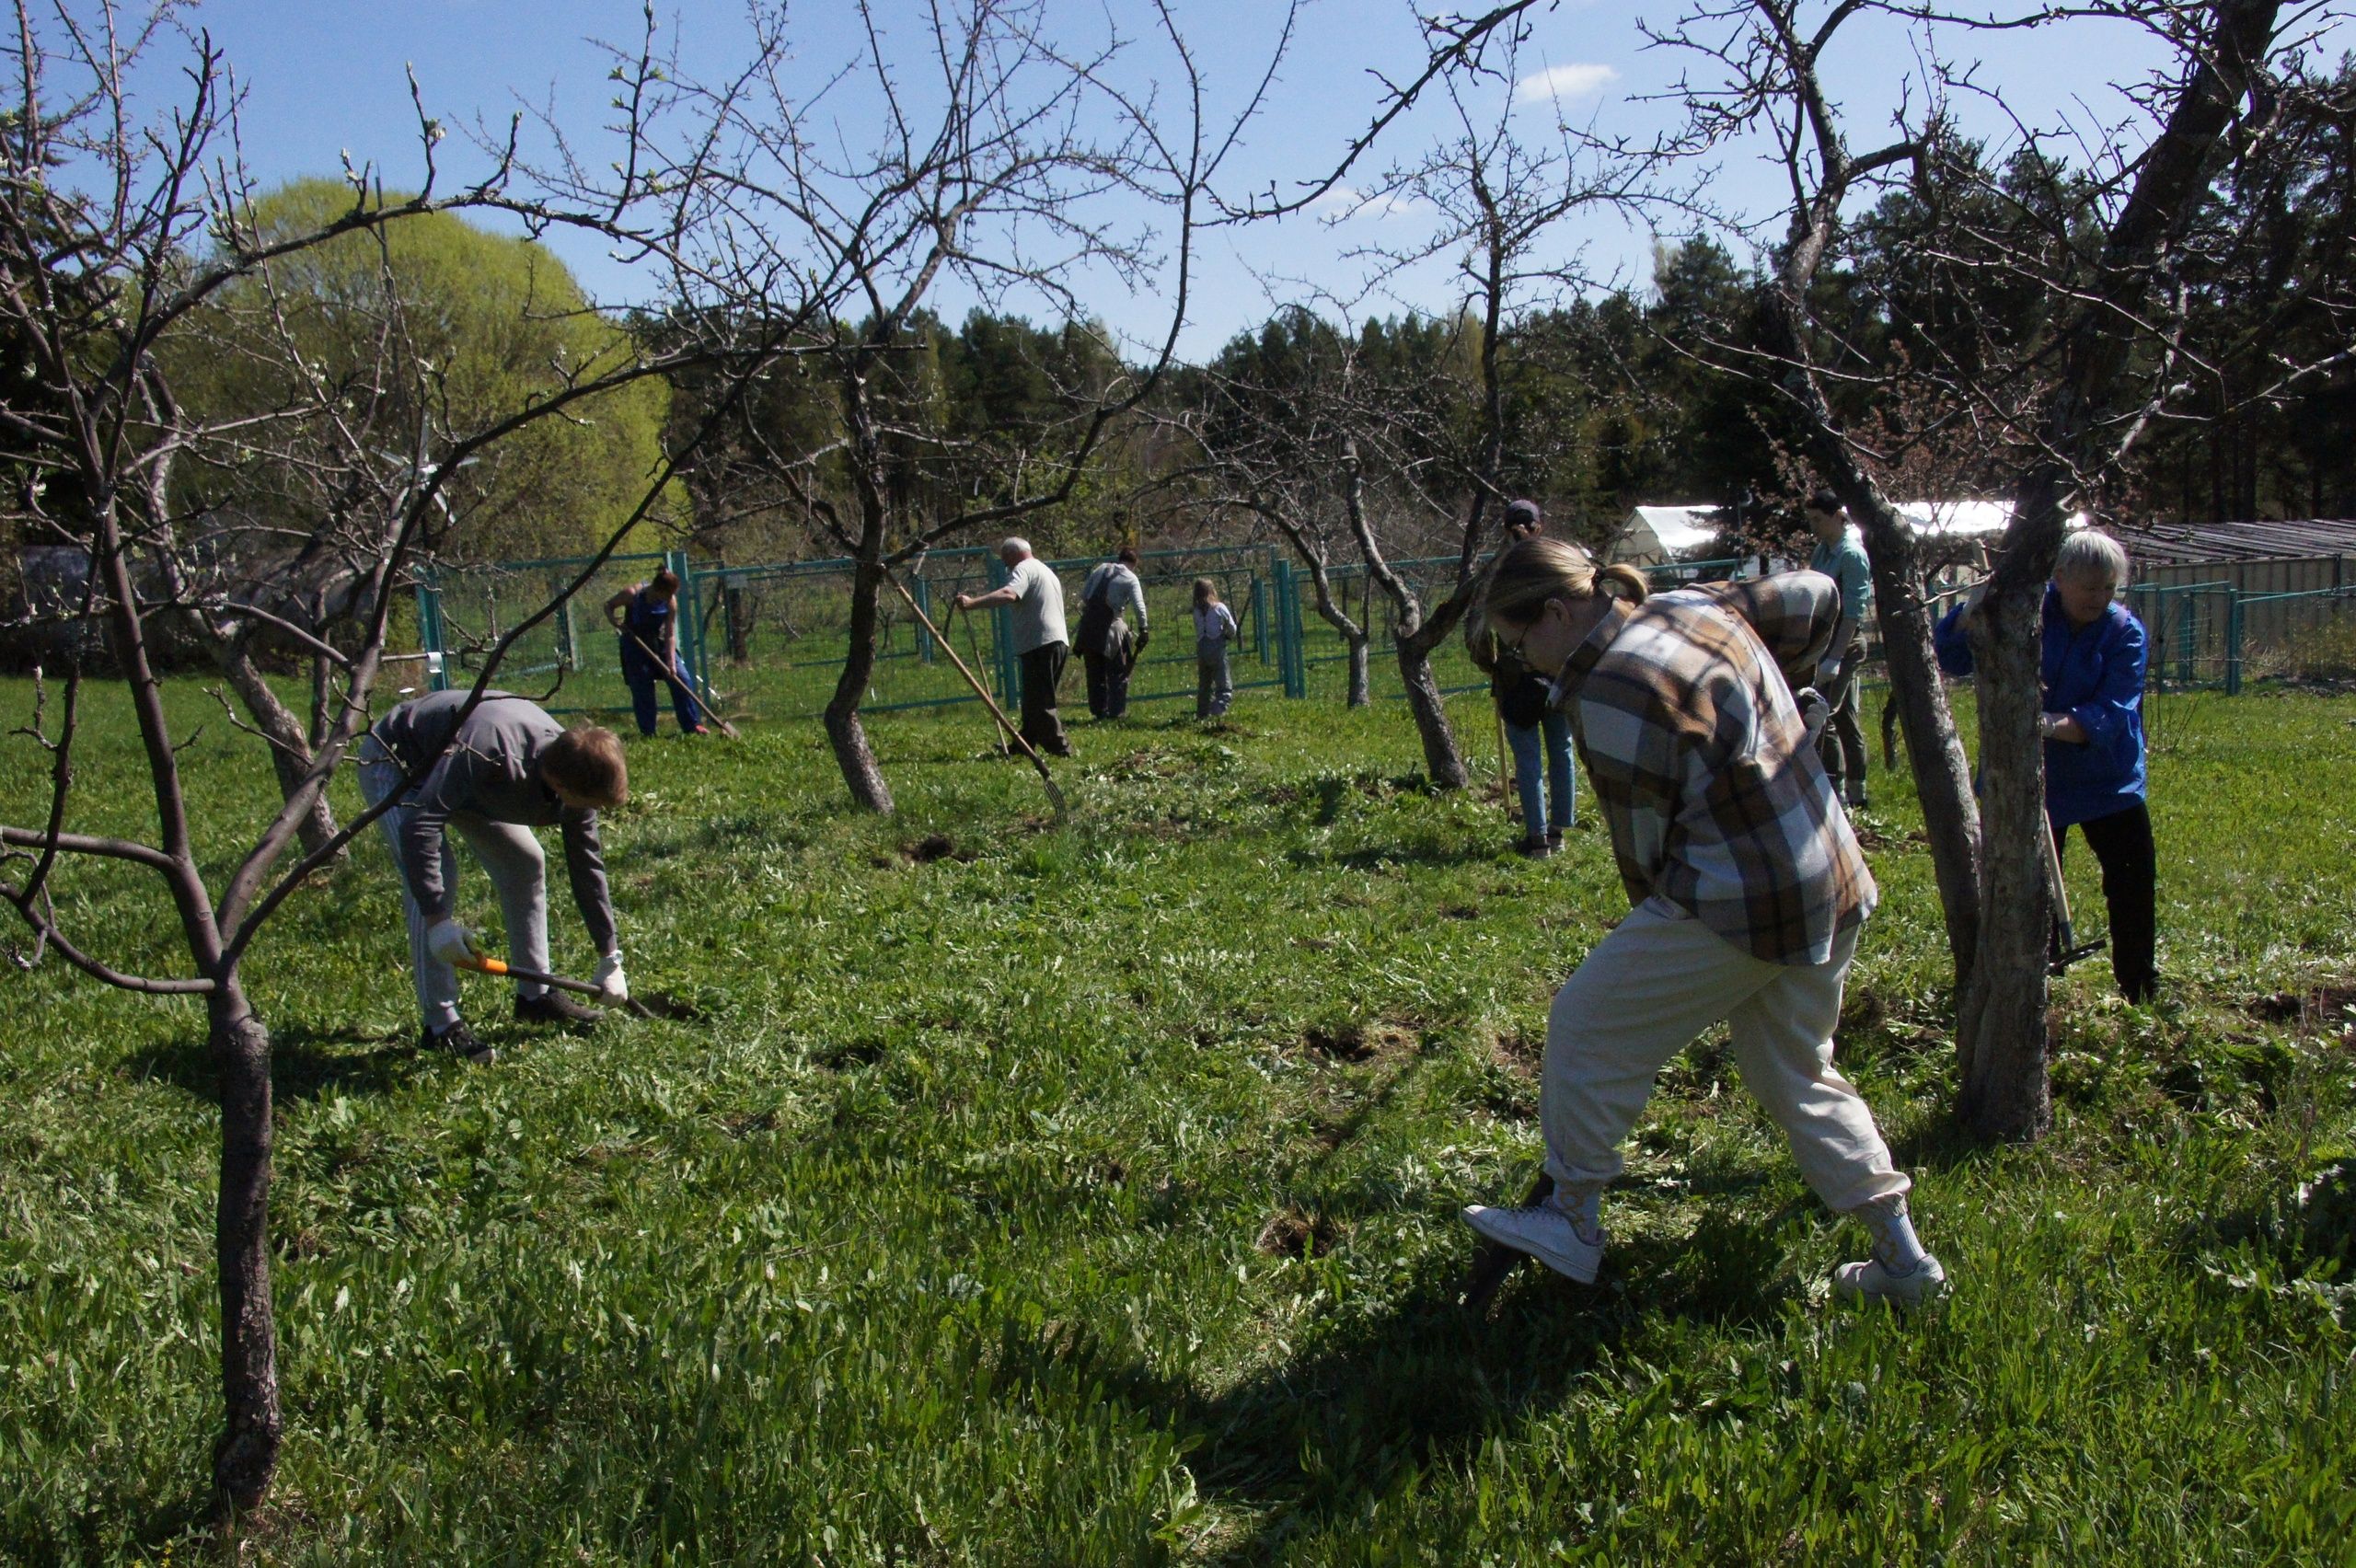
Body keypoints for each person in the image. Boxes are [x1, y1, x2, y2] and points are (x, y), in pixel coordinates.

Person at [1459, 537, 1945, 1306]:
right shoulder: (1692, 603)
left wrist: (1645, 960)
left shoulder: (1612, 692)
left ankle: (1570, 1218)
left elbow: (1645, 856)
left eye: (1522, 645)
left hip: (1739, 899)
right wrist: (1798, 679)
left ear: (1556, 612)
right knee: (1798, 1071)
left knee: (1587, 1024)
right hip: (1831, 873)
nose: (1529, 664)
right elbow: (1815, 593)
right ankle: (1904, 1262)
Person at [1933, 528, 2154, 1003]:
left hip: (2106, 779)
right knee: (2031, 888)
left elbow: (2114, 714)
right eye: (2089, 586)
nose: (2099, 597)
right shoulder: (2023, 612)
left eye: (2109, 587)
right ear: (2058, 578)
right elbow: (1950, 654)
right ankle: (2039, 985)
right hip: (2028, 777)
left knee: (2132, 879)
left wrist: (2051, 724)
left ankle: (2139, 987)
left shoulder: (2124, 633)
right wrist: (1973, 607)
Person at [358, 690, 632, 1065]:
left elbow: (587, 866)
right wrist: (439, 923)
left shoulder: (576, 770)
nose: (593, 814)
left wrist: (609, 956)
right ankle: (441, 1026)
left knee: (526, 861)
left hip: (469, 780)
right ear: (562, 788)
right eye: (591, 805)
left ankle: (536, 996)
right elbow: (421, 826)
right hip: (398, 759)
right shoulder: (487, 750)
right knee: (436, 869)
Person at [1488, 499, 1576, 856]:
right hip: (1557, 672)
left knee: (1528, 758)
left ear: (1505, 529)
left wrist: (1492, 668)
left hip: (1518, 679)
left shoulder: (1501, 573)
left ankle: (1537, 838)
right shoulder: (1556, 565)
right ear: (1540, 526)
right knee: (1562, 751)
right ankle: (1559, 831)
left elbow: (1482, 626)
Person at [955, 538, 1072, 756]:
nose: (1005, 565)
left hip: (1042, 643)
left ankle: (1061, 749)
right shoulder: (1044, 569)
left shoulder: (1023, 569)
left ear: (1012, 554)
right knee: (1032, 700)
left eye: (1005, 559)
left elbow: (1009, 594)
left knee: (1041, 700)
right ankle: (1023, 745)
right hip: (1053, 641)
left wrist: (972, 604)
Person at [1806, 488, 1873, 811]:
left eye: (1818, 519)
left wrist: (1834, 657)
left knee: (1824, 714)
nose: (1814, 526)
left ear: (1836, 517)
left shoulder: (1851, 555)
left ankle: (1837, 793)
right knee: (1845, 716)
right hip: (1826, 642)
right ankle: (1858, 791)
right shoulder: (1823, 550)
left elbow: (1852, 612)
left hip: (1845, 643)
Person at [604, 570, 708, 737]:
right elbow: (608, 605)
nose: (668, 598)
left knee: (682, 678)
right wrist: (615, 622)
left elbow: (670, 633)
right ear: (657, 589)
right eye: (666, 595)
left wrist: (672, 664)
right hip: (635, 645)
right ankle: (648, 732)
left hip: (659, 644)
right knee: (642, 687)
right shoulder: (632, 595)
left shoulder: (670, 601)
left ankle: (692, 726)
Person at [1077, 548, 1151, 720]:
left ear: (1119, 559)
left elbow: (1084, 595)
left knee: (1094, 673)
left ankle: (1099, 711)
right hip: (1112, 627)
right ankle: (1117, 713)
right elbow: (1139, 606)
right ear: (1135, 563)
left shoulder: (1100, 568)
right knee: (1117, 672)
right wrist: (1143, 630)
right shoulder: (1131, 578)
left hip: (1088, 627)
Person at [1191, 577, 1239, 719]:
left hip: (1201, 647)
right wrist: (1228, 635)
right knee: (1224, 685)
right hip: (1216, 647)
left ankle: (1202, 714)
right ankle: (1217, 711)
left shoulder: (1196, 611)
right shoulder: (1219, 607)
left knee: (1204, 685)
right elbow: (1232, 627)